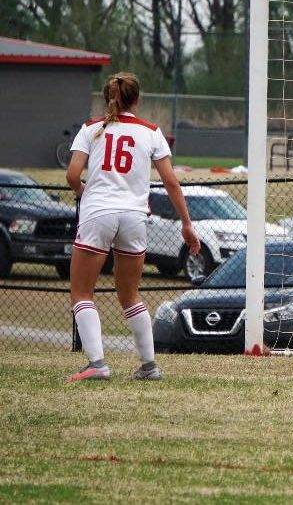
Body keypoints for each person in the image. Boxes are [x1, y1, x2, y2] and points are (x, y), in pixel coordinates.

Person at [65, 72, 200, 382]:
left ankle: (97, 364)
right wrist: (187, 224)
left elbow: (73, 175)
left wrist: (86, 195)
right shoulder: (151, 132)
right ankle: (149, 366)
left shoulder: (91, 129)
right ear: (137, 100)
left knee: (82, 292)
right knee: (130, 295)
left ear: (106, 98)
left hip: (98, 213)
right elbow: (170, 181)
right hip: (134, 216)